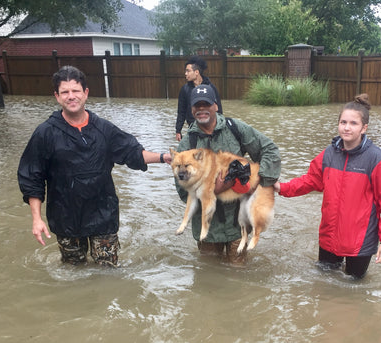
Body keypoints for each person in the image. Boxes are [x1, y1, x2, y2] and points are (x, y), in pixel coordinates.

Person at [18, 65, 172, 267]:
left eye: (76, 91)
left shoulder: (104, 129)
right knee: (73, 271)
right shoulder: (45, 133)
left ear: (86, 93)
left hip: (103, 214)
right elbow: (32, 177)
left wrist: (165, 157)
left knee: (108, 270)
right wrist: (36, 219)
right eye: (65, 92)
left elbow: (132, 153)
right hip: (66, 218)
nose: (71, 96)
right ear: (57, 96)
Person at [274, 94, 381, 279]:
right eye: (343, 122)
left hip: (360, 244)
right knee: (324, 284)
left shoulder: (377, 159)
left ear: (364, 128)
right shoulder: (329, 154)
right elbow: (310, 181)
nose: (346, 127)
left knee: (353, 290)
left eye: (353, 123)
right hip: (329, 238)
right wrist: (281, 188)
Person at [175, 85, 281, 264]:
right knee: (209, 278)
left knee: (238, 274)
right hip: (207, 229)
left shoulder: (235, 128)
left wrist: (257, 181)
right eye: (197, 105)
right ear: (191, 109)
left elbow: (270, 150)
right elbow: (182, 190)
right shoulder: (187, 143)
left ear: (215, 105)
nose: (201, 109)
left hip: (237, 225)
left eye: (206, 104)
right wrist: (214, 190)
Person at [175, 56, 222, 142]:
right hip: (193, 128)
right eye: (185, 71)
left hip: (210, 128)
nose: (185, 74)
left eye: (188, 71)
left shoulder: (211, 88)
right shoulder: (185, 89)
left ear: (196, 72)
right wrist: (178, 130)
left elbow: (218, 110)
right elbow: (181, 111)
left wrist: (220, 129)